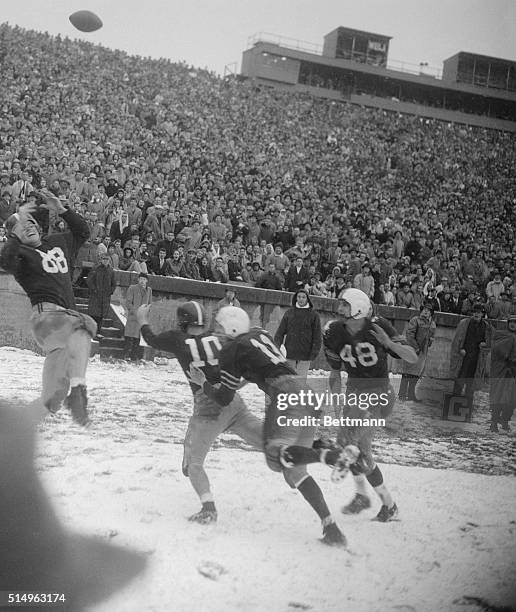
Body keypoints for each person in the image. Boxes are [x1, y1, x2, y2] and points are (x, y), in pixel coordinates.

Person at [188, 306, 346, 547]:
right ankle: (331, 528)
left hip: (284, 394)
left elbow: (223, 398)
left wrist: (203, 384)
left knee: (275, 456)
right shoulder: (259, 333)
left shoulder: (232, 348)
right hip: (305, 393)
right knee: (295, 471)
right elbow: (261, 365)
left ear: (231, 327)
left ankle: (325, 453)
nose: (216, 333)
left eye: (219, 328)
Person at [281, 289, 418, 523]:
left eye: (345, 304)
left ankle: (368, 494)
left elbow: (412, 357)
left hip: (379, 393)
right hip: (355, 393)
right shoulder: (333, 331)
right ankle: (381, 502)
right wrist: (336, 403)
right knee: (357, 451)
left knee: (350, 445)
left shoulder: (379, 325)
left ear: (358, 307)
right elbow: (335, 373)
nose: (340, 308)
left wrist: (388, 343)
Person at [136, 301, 263, 523]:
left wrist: (143, 320)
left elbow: (152, 340)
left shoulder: (178, 339)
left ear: (182, 321)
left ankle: (208, 508)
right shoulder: (218, 337)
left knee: (194, 464)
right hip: (232, 400)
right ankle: (316, 449)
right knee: (268, 442)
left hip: (208, 407)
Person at [0, 192, 96, 426]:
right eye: (22, 228)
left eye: (31, 223)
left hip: (66, 322)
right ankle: (78, 389)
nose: (28, 228)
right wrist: (14, 235)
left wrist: (63, 209)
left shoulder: (58, 242)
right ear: (15, 236)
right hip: (47, 319)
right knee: (86, 324)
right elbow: (5, 262)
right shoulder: (21, 254)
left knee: (52, 398)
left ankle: (16, 430)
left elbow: (83, 232)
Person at [450, 303, 492, 421]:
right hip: (464, 359)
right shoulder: (464, 323)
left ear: (483, 314)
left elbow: (489, 344)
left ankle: (465, 412)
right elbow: (456, 341)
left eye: (479, 312)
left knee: (471, 387)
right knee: (458, 383)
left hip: (476, 361)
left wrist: (485, 345)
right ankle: (453, 410)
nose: (476, 314)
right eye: (475, 312)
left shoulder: (486, 326)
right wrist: (460, 349)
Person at [273, 289, 322, 379]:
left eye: (303, 297)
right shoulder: (289, 313)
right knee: (289, 378)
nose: (301, 299)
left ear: (307, 299)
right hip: (290, 351)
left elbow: (317, 336)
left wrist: (314, 351)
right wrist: (276, 346)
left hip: (306, 353)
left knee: (301, 380)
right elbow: (280, 332)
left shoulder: (314, 315)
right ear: (296, 298)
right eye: (299, 297)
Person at [398, 302, 436, 402]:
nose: (426, 312)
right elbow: (409, 335)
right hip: (412, 350)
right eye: (424, 310)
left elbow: (431, 339)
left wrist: (431, 341)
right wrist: (416, 347)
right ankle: (402, 394)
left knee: (416, 374)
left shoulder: (432, 324)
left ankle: (411, 394)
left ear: (431, 313)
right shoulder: (415, 320)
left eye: (428, 310)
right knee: (407, 372)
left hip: (423, 353)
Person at [489, 315, 516, 432]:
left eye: (515, 323)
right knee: (498, 396)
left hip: (513, 372)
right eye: (511, 322)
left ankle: (505, 420)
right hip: (501, 371)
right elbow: (497, 351)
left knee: (511, 399)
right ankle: (494, 422)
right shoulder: (501, 335)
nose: (513, 324)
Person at [86, 253, 116, 340]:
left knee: (101, 316)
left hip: (105, 297)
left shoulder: (111, 271)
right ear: (101, 260)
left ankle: (98, 332)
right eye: (104, 259)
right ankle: (91, 332)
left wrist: (110, 291)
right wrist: (94, 290)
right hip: (96, 296)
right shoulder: (96, 269)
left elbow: (113, 283)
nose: (105, 261)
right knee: (93, 314)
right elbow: (89, 280)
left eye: (107, 259)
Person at [124, 273, 152, 361]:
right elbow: (128, 302)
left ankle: (135, 356)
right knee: (130, 336)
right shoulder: (132, 288)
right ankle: (127, 355)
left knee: (138, 338)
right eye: (141, 279)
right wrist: (135, 311)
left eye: (144, 279)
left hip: (142, 318)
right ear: (138, 280)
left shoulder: (149, 290)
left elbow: (149, 303)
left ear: (147, 281)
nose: (142, 281)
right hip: (133, 316)